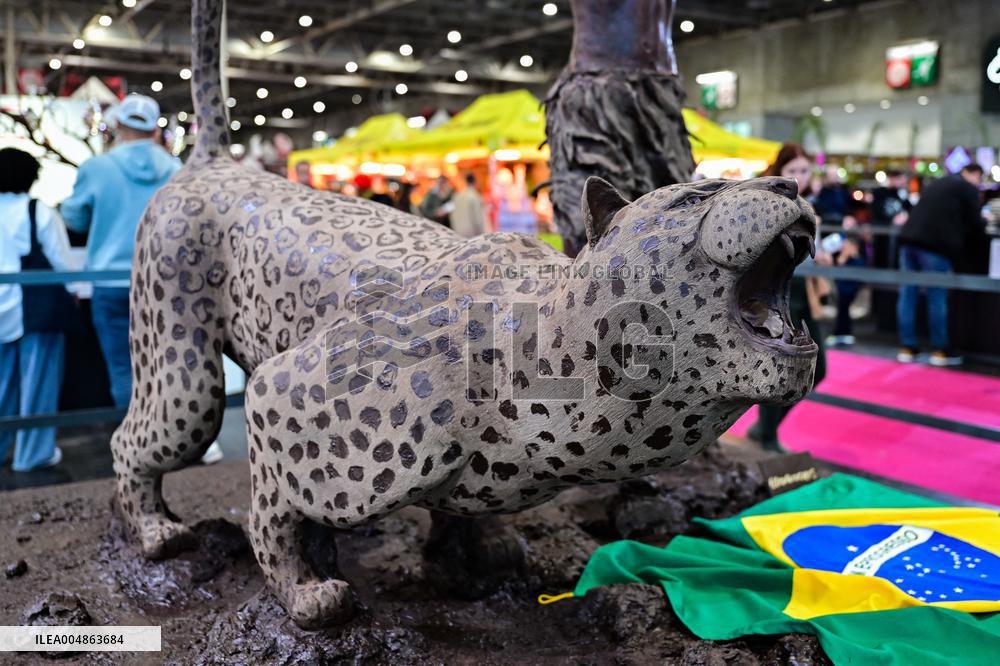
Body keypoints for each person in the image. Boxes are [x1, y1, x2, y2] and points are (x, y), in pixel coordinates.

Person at [60, 94, 181, 408]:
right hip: (164, 282)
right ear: (155, 131)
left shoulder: (97, 167)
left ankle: (136, 446)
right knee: (167, 367)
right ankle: (172, 444)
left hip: (111, 283)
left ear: (116, 124)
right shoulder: (175, 169)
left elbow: (74, 217)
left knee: (122, 370)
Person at [746, 143, 829, 453]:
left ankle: (766, 429)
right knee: (779, 369)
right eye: (792, 171)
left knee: (817, 370)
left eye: (803, 171)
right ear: (779, 172)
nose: (798, 177)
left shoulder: (809, 205)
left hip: (806, 296)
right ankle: (766, 436)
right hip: (778, 297)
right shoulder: (767, 206)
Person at [0, 148, 77, 471]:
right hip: (35, 307)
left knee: (3, 385)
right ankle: (32, 453)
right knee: (39, 381)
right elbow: (62, 263)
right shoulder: (38, 212)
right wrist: (74, 291)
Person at [896, 164, 985, 366]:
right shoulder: (967, 188)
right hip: (935, 246)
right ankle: (940, 350)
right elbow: (976, 223)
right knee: (937, 296)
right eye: (979, 179)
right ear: (974, 174)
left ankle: (907, 347)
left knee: (907, 294)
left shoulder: (941, 182)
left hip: (909, 240)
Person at [449, 173, 486, 238]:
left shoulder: (457, 196)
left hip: (457, 232)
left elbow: (451, 214)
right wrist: (482, 234)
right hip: (472, 234)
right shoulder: (475, 197)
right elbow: (478, 219)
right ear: (475, 182)